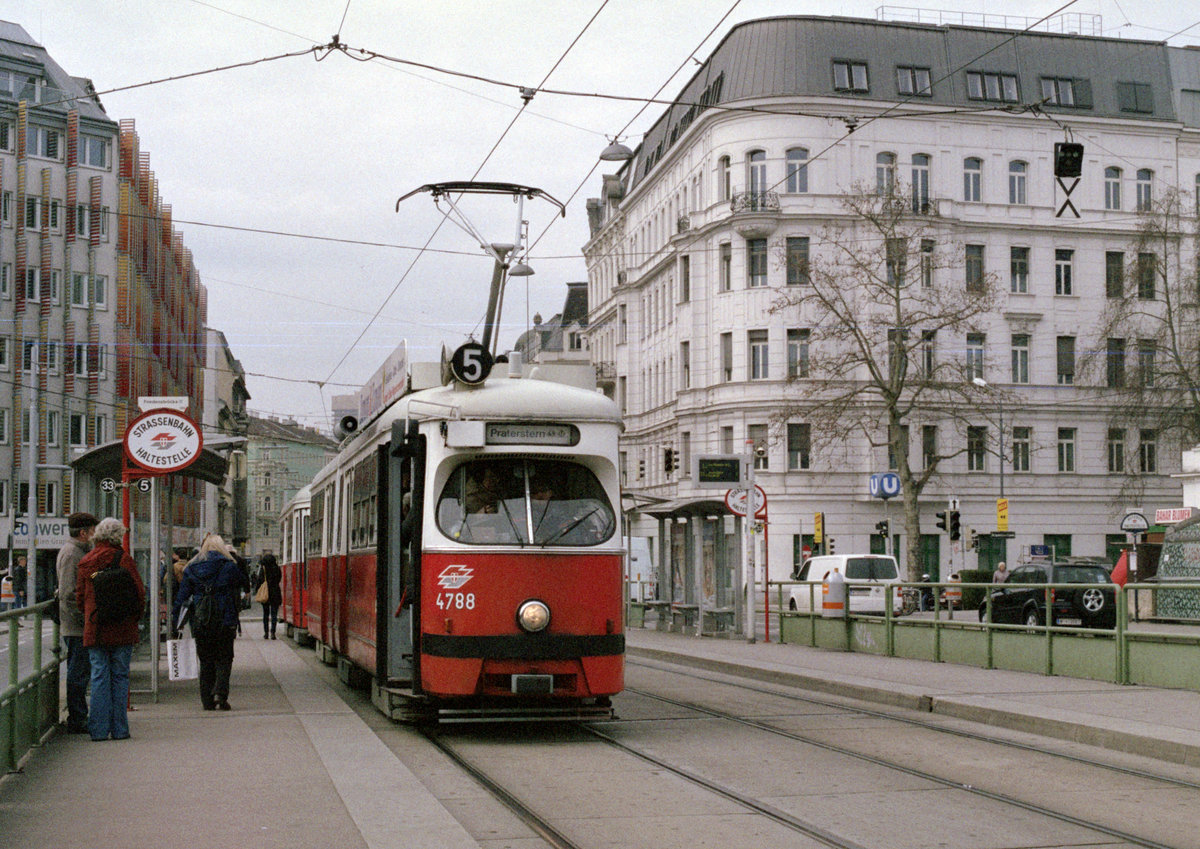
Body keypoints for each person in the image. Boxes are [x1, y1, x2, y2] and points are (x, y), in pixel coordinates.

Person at [75, 518, 145, 741]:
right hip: (123, 627)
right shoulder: (124, 559)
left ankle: (97, 730)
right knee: (120, 676)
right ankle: (120, 729)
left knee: (99, 677)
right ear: (118, 535)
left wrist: (89, 614)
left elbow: (79, 597)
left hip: (96, 628)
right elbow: (139, 593)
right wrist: (133, 618)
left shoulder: (87, 561)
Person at [172, 534, 248, 711]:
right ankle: (221, 694)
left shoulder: (192, 567)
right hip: (225, 618)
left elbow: (181, 598)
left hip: (200, 620)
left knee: (206, 660)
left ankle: (207, 700)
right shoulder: (229, 566)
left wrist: (176, 621)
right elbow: (243, 582)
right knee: (224, 658)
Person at [56, 512, 98, 734]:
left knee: (79, 671)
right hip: (76, 626)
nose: (94, 535)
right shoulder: (73, 554)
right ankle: (77, 718)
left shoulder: (76, 551)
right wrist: (86, 620)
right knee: (78, 672)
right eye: (92, 530)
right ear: (83, 533)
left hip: (75, 624)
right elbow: (68, 594)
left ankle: (78, 715)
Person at [254, 553, 282, 639]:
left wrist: (257, 590)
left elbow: (259, 581)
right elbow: (279, 579)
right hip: (275, 592)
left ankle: (266, 633)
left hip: (266, 593)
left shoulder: (263, 569)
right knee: (274, 614)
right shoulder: (277, 568)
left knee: (265, 614)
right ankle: (273, 632)